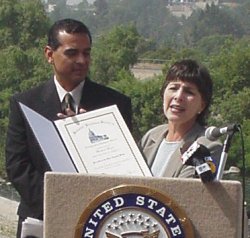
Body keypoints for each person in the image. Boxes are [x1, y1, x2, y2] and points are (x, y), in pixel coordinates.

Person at [5, 18, 132, 238]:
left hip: (97, 220)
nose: (81, 60)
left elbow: (123, 165)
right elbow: (17, 165)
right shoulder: (26, 104)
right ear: (49, 54)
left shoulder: (115, 104)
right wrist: (59, 205)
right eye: (72, 53)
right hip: (39, 217)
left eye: (87, 53)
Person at [139, 59, 222, 178]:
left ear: (202, 105)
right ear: (163, 94)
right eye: (173, 88)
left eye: (189, 92)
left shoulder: (208, 147)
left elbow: (185, 192)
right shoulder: (150, 137)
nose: (178, 97)